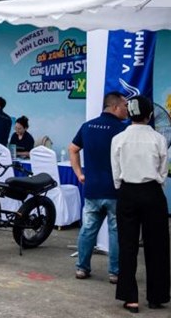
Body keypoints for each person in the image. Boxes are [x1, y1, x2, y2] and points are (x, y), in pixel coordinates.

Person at [111, 95, 169, 312]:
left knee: (128, 245)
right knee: (157, 246)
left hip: (127, 192)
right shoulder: (159, 139)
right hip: (152, 192)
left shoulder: (118, 139)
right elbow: (163, 171)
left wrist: (124, 187)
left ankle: (130, 297)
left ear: (130, 114)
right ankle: (157, 296)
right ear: (150, 115)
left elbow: (116, 172)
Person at [69, 91, 129, 283]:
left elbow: (73, 149)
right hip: (115, 189)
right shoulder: (122, 129)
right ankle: (115, 272)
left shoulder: (87, 126)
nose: (128, 110)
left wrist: (79, 174)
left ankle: (82, 268)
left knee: (88, 229)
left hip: (92, 188)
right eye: (125, 106)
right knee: (116, 231)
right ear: (115, 107)